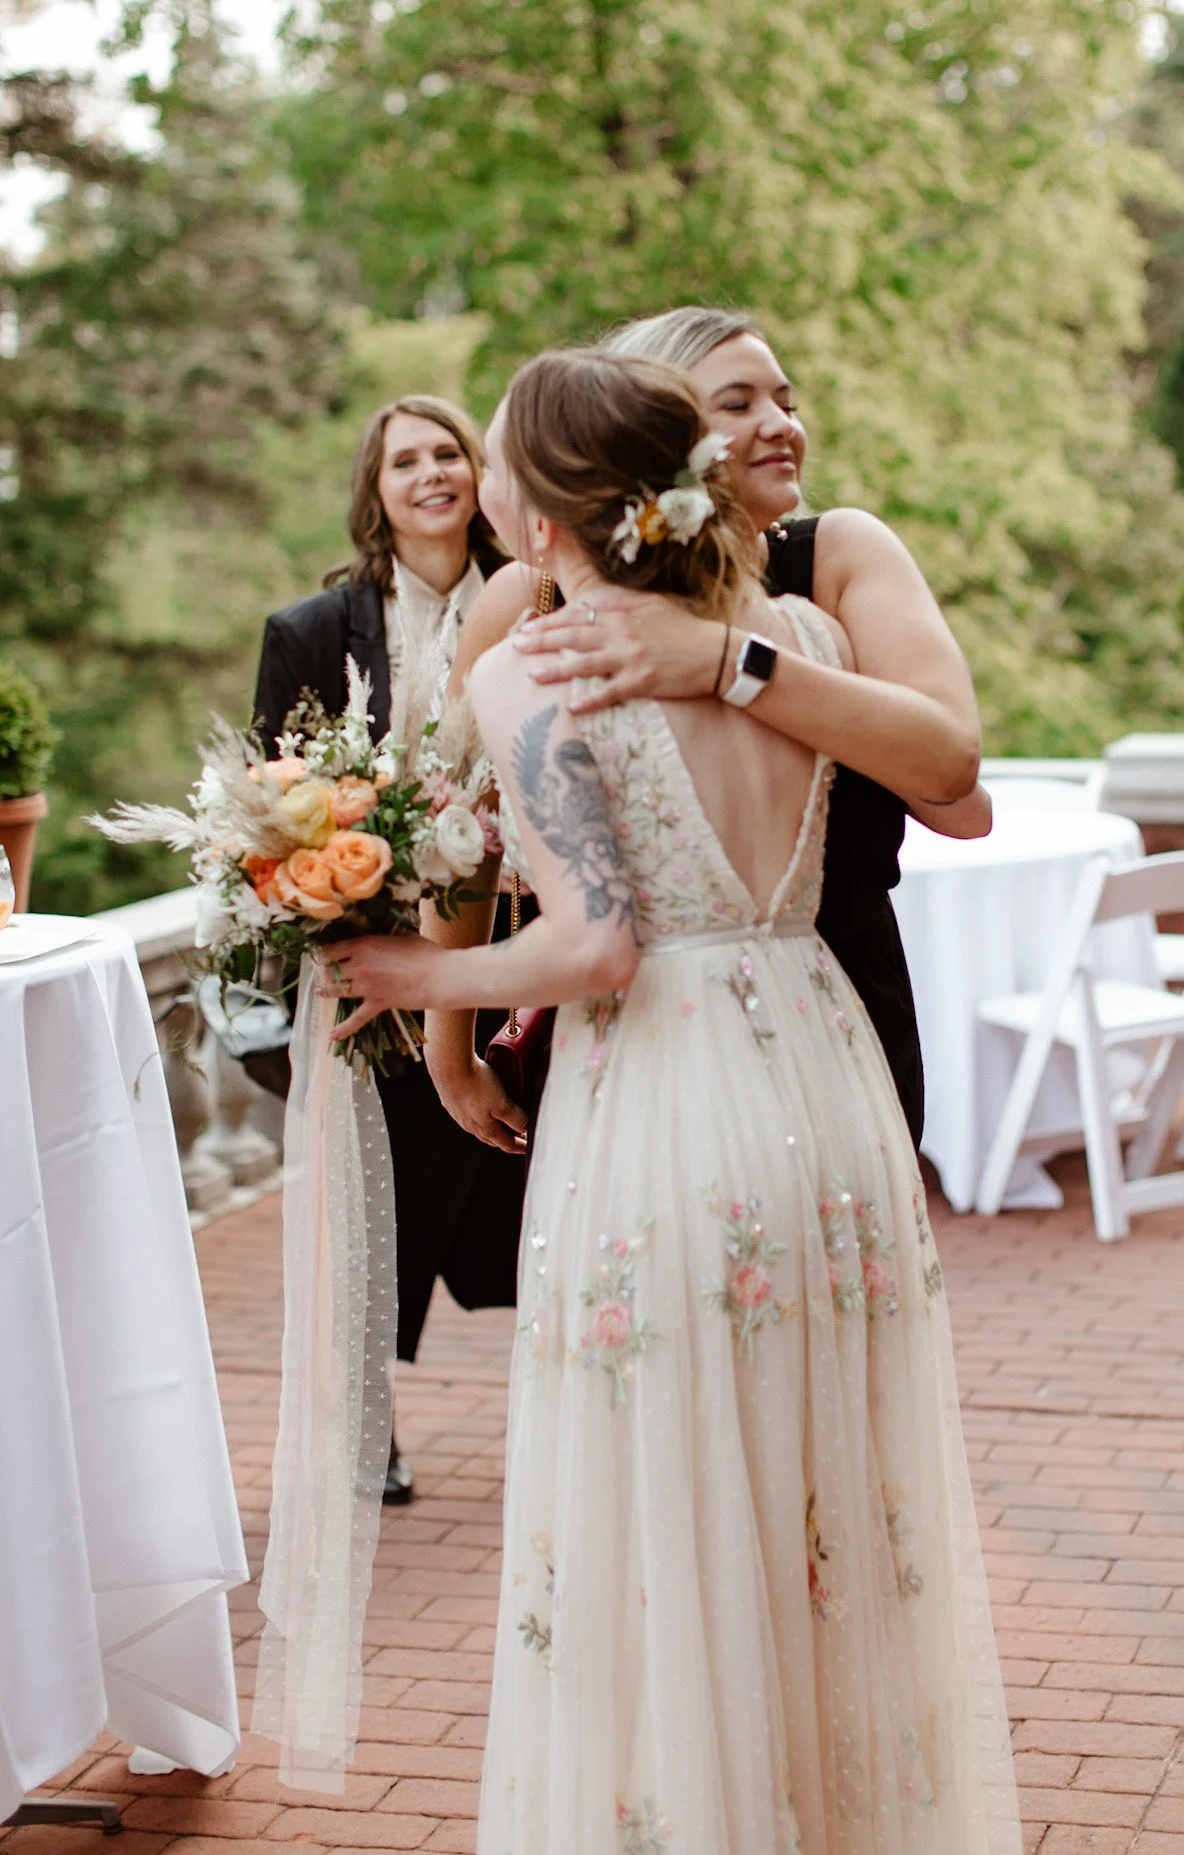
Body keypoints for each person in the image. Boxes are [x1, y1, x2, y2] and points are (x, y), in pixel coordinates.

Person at [325, 349, 1020, 1852]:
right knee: (830, 1491)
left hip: (660, 1099)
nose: (486, 493)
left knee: (671, 1499)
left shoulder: (535, 666)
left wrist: (407, 977)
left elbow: (591, 946)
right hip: (821, 1071)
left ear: (553, 510)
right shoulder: (800, 626)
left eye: (501, 468)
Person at [444, 308, 989, 1155]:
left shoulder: (838, 557)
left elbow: (957, 791)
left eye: (786, 400)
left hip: (835, 997)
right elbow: (463, 831)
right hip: (616, 1034)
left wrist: (726, 658)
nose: (781, 425)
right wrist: (452, 1052)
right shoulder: (532, 597)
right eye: (736, 405)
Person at [252, 394, 528, 1503]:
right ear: (376, 490)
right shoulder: (313, 633)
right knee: (369, 1212)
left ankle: (577, 1407)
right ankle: (369, 1425)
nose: (430, 473)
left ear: (479, 473)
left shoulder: (541, 598)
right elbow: (274, 816)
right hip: (377, 963)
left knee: (532, 1175)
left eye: (448, 452)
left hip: (522, 946)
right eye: (404, 459)